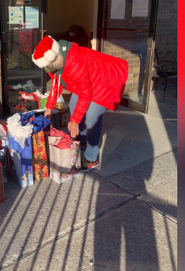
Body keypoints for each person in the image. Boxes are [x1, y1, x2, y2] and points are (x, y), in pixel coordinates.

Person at [32, 35, 128, 171]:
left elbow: (85, 93)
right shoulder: (56, 62)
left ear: (55, 57)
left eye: (48, 66)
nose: (47, 69)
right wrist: (49, 107)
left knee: (92, 118)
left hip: (103, 81)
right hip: (86, 80)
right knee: (73, 106)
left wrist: (75, 120)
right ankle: (82, 141)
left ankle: (91, 158)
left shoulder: (75, 61)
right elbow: (56, 83)